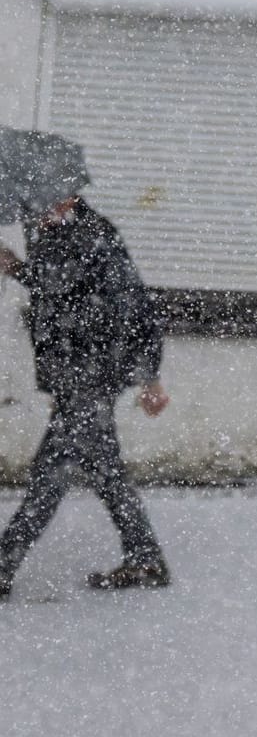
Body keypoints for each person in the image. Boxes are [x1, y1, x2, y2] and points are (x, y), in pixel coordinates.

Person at [0, 192, 171, 599]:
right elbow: (58, 295)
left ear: (68, 198)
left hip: (91, 376)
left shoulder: (91, 236)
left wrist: (149, 376)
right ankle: (145, 558)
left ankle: (4, 562)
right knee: (106, 472)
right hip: (76, 378)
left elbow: (131, 305)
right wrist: (18, 266)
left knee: (50, 474)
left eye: (44, 204)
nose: (37, 214)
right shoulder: (56, 233)